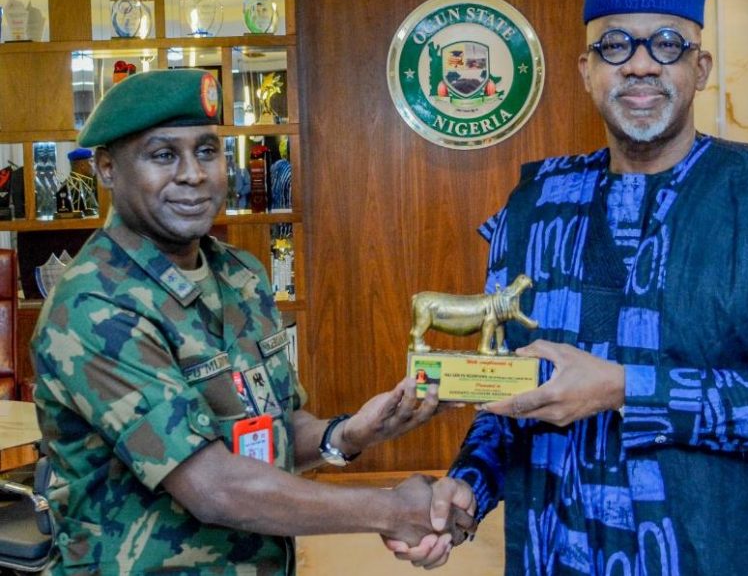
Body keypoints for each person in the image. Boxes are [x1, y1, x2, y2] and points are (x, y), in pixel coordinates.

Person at [389, 0, 748, 574]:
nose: (640, 63)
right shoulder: (536, 207)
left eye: (667, 44)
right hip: (565, 552)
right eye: (615, 45)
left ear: (701, 68)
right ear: (588, 71)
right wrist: (469, 486)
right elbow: (512, 390)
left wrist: (628, 388)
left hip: (732, 550)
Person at [30, 68, 475, 574]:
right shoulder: (95, 304)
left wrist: (348, 435)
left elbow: (271, 428)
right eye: (162, 155)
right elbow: (214, 487)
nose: (193, 174)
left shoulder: (239, 275)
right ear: (108, 169)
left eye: (207, 150)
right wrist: (392, 510)